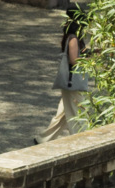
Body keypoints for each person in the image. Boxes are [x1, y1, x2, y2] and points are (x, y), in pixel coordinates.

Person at [34, 5, 89, 144]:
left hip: (69, 82)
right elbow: (74, 60)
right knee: (78, 111)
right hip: (72, 82)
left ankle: (43, 139)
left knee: (63, 114)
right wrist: (89, 60)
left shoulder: (70, 36)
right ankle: (81, 140)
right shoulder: (73, 38)